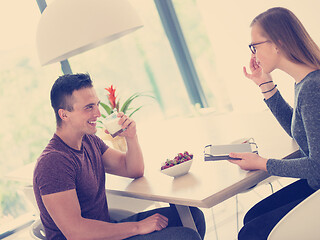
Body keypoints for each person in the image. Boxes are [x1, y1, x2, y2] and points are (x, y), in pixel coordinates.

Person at [33, 73, 206, 240]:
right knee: (186, 236)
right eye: (89, 108)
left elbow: (133, 169)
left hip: (107, 229)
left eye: (96, 104)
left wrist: (131, 136)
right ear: (64, 115)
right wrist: (138, 227)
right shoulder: (53, 162)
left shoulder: (89, 141)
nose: (98, 114)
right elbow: (76, 233)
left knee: (192, 217)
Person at [228, 7, 320, 240]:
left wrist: (262, 163)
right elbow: (298, 131)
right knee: (252, 218)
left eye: (254, 46)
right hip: (314, 184)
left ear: (277, 43)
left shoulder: (313, 87)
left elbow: (317, 166)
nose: (253, 55)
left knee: (251, 232)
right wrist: (264, 84)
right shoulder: (305, 82)